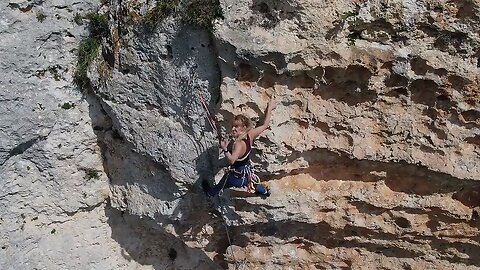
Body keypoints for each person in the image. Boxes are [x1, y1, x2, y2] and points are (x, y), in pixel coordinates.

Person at [202, 97, 276, 197]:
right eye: (233, 126)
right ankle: (264, 191)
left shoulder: (238, 144)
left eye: (236, 126)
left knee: (220, 186)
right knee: (252, 183)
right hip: (247, 174)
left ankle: (210, 193)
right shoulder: (250, 134)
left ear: (243, 128)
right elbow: (264, 125)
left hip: (235, 178)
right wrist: (270, 109)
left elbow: (231, 161)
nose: (233, 129)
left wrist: (225, 149)